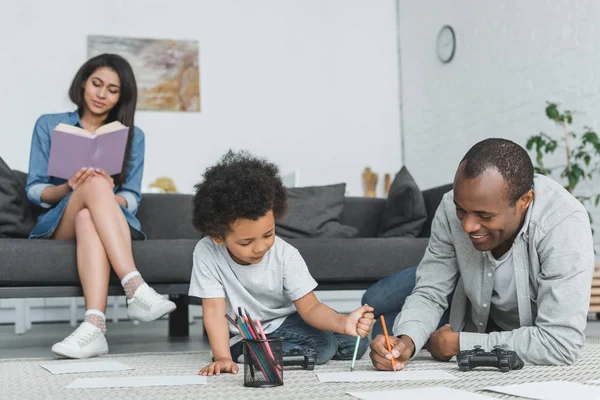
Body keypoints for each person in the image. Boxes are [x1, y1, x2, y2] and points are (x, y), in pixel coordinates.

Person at [364, 138, 594, 369]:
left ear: (524, 201)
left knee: (383, 322)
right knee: (375, 304)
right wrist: (405, 343)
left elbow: (560, 344)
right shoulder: (447, 207)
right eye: (461, 210)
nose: (467, 227)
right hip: (465, 293)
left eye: (484, 216)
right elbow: (431, 291)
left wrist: (459, 343)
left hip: (481, 312)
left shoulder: (562, 223)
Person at [26, 54, 176, 359]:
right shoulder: (49, 124)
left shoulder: (133, 137)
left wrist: (107, 193)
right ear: (83, 83)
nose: (101, 94)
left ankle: (94, 326)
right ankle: (136, 287)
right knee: (90, 186)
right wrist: (71, 185)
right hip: (59, 219)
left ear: (122, 96)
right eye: (96, 84)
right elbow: (34, 190)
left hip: (103, 219)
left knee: (88, 213)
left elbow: (132, 197)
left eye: (112, 89)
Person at [189, 151, 374, 376]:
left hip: (288, 321)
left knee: (355, 343)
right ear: (218, 236)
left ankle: (265, 351)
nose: (260, 248)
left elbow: (312, 307)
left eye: (268, 234)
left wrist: (345, 323)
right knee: (324, 347)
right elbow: (215, 312)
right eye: (246, 242)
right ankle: (243, 351)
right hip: (248, 334)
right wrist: (222, 358)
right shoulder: (207, 252)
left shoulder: (286, 254)